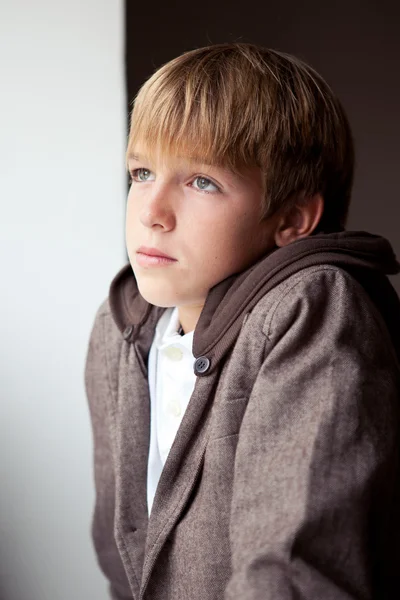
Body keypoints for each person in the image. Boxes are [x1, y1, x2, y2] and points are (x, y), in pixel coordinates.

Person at [84, 42, 400, 600]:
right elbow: (124, 558)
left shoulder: (311, 309)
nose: (151, 212)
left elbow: (292, 570)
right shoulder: (120, 328)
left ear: (292, 219)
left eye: (202, 181)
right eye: (141, 172)